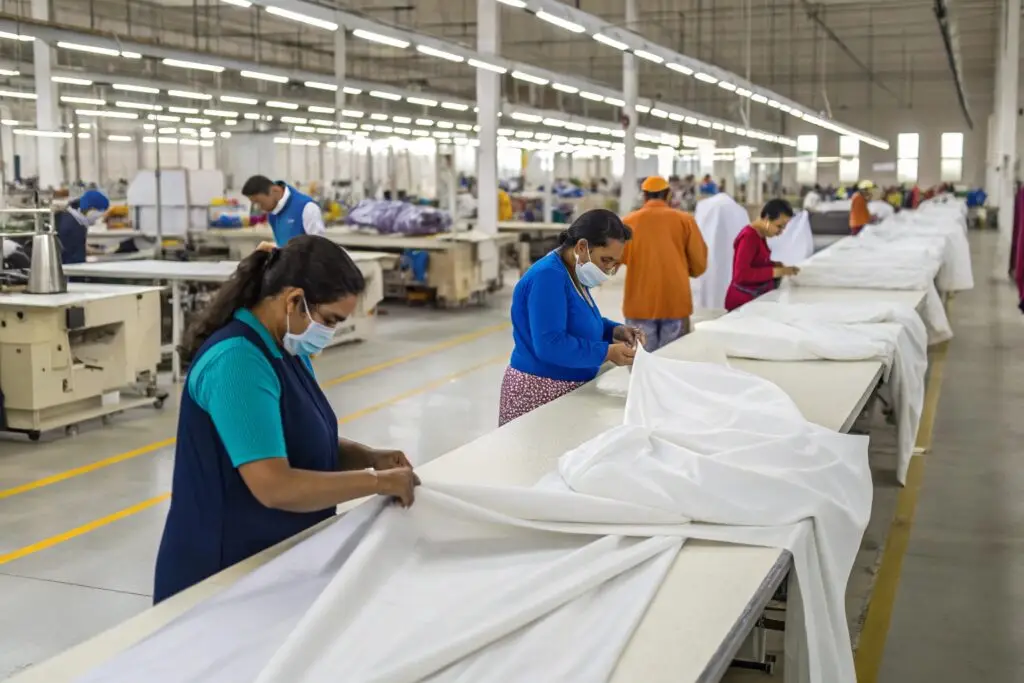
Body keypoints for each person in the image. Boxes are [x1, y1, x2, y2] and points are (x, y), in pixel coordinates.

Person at [154, 235, 418, 603]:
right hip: (221, 574)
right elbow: (275, 485)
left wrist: (367, 456)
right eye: (329, 320)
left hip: (275, 561)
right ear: (294, 300)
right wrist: (376, 482)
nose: (330, 332)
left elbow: (293, 439)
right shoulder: (237, 362)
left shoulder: (285, 348)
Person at [500, 209, 642, 426]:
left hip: (565, 386)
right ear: (582, 247)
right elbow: (550, 344)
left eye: (614, 263)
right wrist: (607, 352)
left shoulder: (572, 272)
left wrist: (613, 330)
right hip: (539, 392)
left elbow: (577, 320)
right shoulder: (548, 276)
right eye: (606, 260)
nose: (608, 269)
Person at [621, 176, 709, 351]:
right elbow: (699, 263)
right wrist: (683, 268)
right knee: (672, 362)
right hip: (675, 301)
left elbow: (616, 258)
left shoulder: (627, 223)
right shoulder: (685, 221)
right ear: (668, 195)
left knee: (643, 364)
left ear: (644, 196)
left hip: (639, 303)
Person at [724, 199, 800, 311]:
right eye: (779, 226)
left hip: (753, 300)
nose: (781, 232)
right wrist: (776, 272)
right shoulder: (749, 237)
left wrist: (774, 265)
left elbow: (756, 262)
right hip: (741, 303)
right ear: (767, 219)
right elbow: (741, 275)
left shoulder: (760, 235)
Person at [242, 175, 326, 247]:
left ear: (274, 191)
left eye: (259, 202)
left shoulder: (307, 208)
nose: (259, 208)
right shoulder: (273, 213)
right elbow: (283, 245)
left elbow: (318, 248)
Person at [55, 190, 109, 264]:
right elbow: (76, 260)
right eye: (99, 214)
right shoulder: (74, 227)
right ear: (91, 209)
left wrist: (99, 251)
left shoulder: (69, 218)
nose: (97, 219)